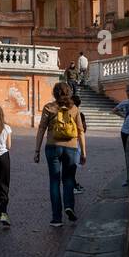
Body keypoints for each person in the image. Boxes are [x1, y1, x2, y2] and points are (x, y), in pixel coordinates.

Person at [35, 81, 87, 226]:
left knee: (54, 181)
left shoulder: (49, 107)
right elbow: (81, 131)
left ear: (55, 93)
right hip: (71, 148)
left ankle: (56, 218)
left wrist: (37, 150)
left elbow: (41, 129)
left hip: (53, 146)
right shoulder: (74, 108)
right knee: (69, 179)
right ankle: (69, 206)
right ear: (69, 93)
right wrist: (83, 152)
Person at [70, 93, 89, 193]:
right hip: (75, 142)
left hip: (65, 142)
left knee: (69, 166)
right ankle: (72, 186)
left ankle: (73, 184)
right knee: (73, 166)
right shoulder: (80, 114)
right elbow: (83, 130)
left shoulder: (65, 112)